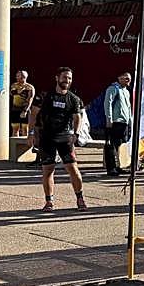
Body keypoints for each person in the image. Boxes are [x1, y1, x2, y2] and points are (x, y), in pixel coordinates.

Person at [28, 67, 88, 211]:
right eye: (64, 77)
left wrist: (76, 134)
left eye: (69, 78)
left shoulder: (73, 99)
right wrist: (31, 133)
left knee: (72, 168)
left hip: (65, 138)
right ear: (57, 78)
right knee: (48, 170)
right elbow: (34, 114)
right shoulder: (45, 95)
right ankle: (49, 201)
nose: (67, 81)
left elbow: (77, 117)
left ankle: (80, 198)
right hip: (46, 137)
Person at [103, 71, 132, 176]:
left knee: (122, 145)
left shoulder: (127, 91)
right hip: (115, 122)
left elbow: (128, 108)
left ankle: (120, 166)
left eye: (129, 79)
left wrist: (130, 121)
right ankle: (111, 168)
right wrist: (109, 119)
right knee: (111, 145)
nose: (128, 81)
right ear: (119, 78)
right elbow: (108, 104)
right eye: (126, 78)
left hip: (124, 123)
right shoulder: (113, 89)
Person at [10, 71, 36, 139]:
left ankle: (25, 147)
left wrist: (25, 110)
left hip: (25, 109)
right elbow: (12, 93)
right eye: (16, 76)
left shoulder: (30, 87)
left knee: (25, 129)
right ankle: (14, 147)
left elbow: (30, 99)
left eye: (18, 76)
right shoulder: (14, 85)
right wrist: (20, 90)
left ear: (23, 77)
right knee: (15, 129)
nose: (16, 78)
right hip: (15, 109)